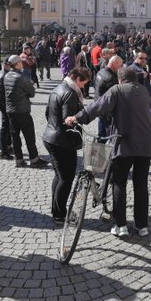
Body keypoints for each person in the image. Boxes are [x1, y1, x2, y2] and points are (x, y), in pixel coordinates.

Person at [66, 66, 151, 238]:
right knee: (141, 184)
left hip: (124, 142)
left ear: (120, 79)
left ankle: (120, 225)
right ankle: (142, 225)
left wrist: (76, 118)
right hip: (145, 143)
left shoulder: (117, 90)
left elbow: (97, 106)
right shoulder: (144, 90)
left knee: (119, 183)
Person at [43, 67, 91, 225]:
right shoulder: (70, 93)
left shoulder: (58, 88)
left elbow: (46, 113)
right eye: (83, 83)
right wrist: (75, 141)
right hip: (61, 141)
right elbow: (68, 120)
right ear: (77, 78)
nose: (84, 87)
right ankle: (60, 215)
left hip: (51, 136)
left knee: (59, 176)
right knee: (66, 178)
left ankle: (56, 210)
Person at [4, 54, 48, 168]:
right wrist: (31, 85)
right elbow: (32, 93)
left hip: (11, 110)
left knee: (15, 136)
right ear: (18, 63)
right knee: (29, 136)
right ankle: (34, 159)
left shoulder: (7, 75)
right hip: (22, 110)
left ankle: (19, 159)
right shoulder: (20, 77)